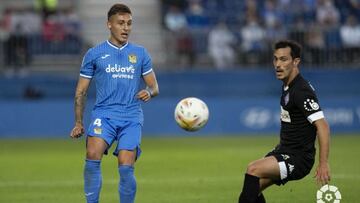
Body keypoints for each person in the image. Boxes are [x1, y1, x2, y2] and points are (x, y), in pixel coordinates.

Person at [70, 4, 159, 203]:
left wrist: (148, 92)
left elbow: (154, 87)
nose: (126, 28)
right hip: (104, 115)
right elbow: (81, 91)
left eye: (129, 23)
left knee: (125, 166)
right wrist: (78, 122)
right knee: (93, 154)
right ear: (109, 24)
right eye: (121, 23)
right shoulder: (94, 54)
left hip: (131, 116)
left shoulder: (140, 53)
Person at [238, 40, 330, 203]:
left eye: (284, 59)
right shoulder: (288, 86)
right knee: (250, 192)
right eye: (275, 59)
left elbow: (322, 126)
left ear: (296, 62)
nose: (278, 64)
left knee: (253, 169)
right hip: (284, 150)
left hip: (298, 158)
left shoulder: (301, 91)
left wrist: (323, 163)